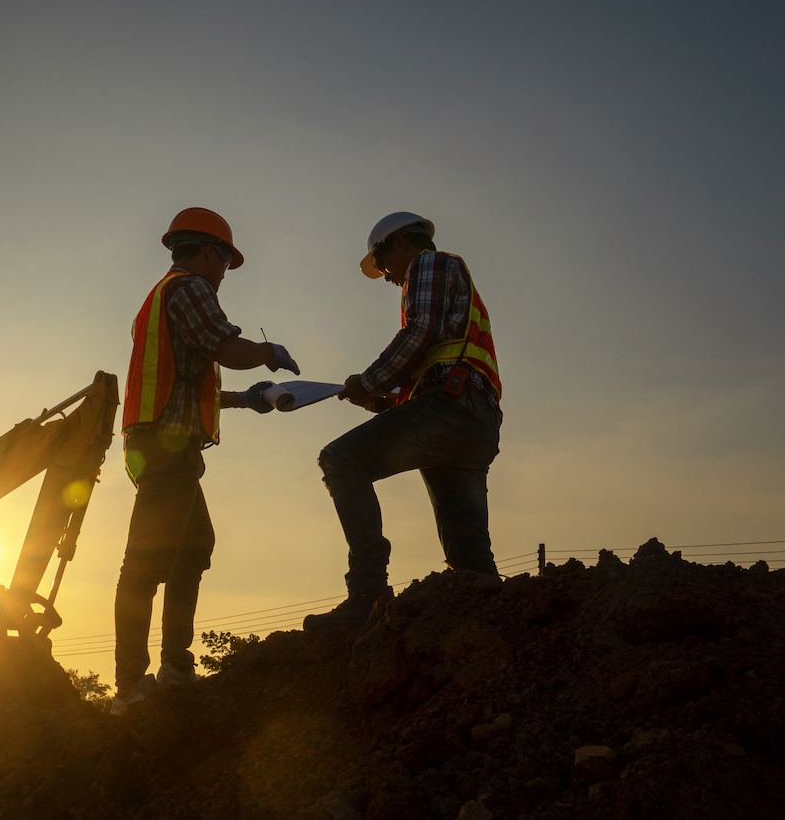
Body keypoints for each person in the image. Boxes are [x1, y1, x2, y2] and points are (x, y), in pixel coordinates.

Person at [112, 207, 301, 714]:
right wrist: (266, 351)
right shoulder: (190, 287)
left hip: (160, 443)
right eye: (224, 260)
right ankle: (130, 688)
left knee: (192, 547)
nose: (225, 273)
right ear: (206, 251)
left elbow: (185, 386)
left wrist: (250, 398)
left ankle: (174, 669)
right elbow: (227, 347)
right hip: (165, 447)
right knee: (149, 559)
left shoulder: (162, 298)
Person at [304, 212, 503, 630]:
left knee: (342, 460)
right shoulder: (457, 280)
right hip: (472, 417)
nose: (388, 278)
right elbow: (434, 361)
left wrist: (371, 382)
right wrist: (378, 401)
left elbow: (422, 330)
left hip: (451, 408)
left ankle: (367, 592)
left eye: (381, 265)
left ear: (397, 244)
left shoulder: (427, 264)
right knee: (468, 553)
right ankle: (490, 621)